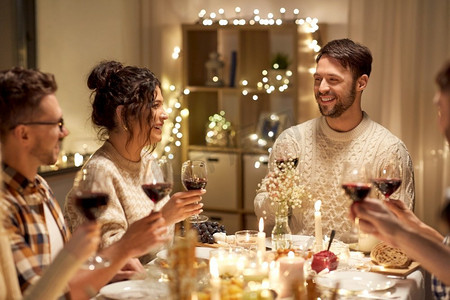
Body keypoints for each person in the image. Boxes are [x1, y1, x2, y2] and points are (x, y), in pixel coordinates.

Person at [0, 67, 168, 300]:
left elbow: (64, 279)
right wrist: (123, 248)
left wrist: (107, 270)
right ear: (23, 134)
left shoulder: (40, 188)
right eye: (56, 124)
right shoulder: (5, 207)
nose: (65, 132)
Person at [254, 38, 415, 241]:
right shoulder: (291, 141)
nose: (321, 88)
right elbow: (264, 214)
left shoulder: (389, 150)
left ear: (361, 83)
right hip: (299, 265)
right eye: (317, 79)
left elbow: (400, 232)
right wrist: (274, 199)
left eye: (333, 80)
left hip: (361, 270)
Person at [64, 60, 204, 264]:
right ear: (122, 115)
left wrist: (176, 218)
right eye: (155, 105)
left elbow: (161, 243)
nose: (164, 115)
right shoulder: (99, 173)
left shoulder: (149, 161)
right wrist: (165, 218)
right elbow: (108, 257)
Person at [351, 61, 450, 299]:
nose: (439, 122)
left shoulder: (388, 145)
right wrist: (414, 226)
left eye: (441, 109)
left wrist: (397, 233)